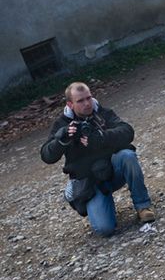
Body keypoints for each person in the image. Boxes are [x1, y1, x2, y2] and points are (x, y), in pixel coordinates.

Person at [41, 82, 155, 236]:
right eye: (80, 101)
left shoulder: (102, 113)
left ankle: (143, 206)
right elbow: (47, 156)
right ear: (70, 104)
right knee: (104, 230)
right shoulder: (63, 123)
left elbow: (128, 131)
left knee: (127, 156)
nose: (87, 104)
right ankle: (78, 194)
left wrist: (101, 137)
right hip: (91, 181)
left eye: (88, 98)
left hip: (113, 170)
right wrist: (61, 139)